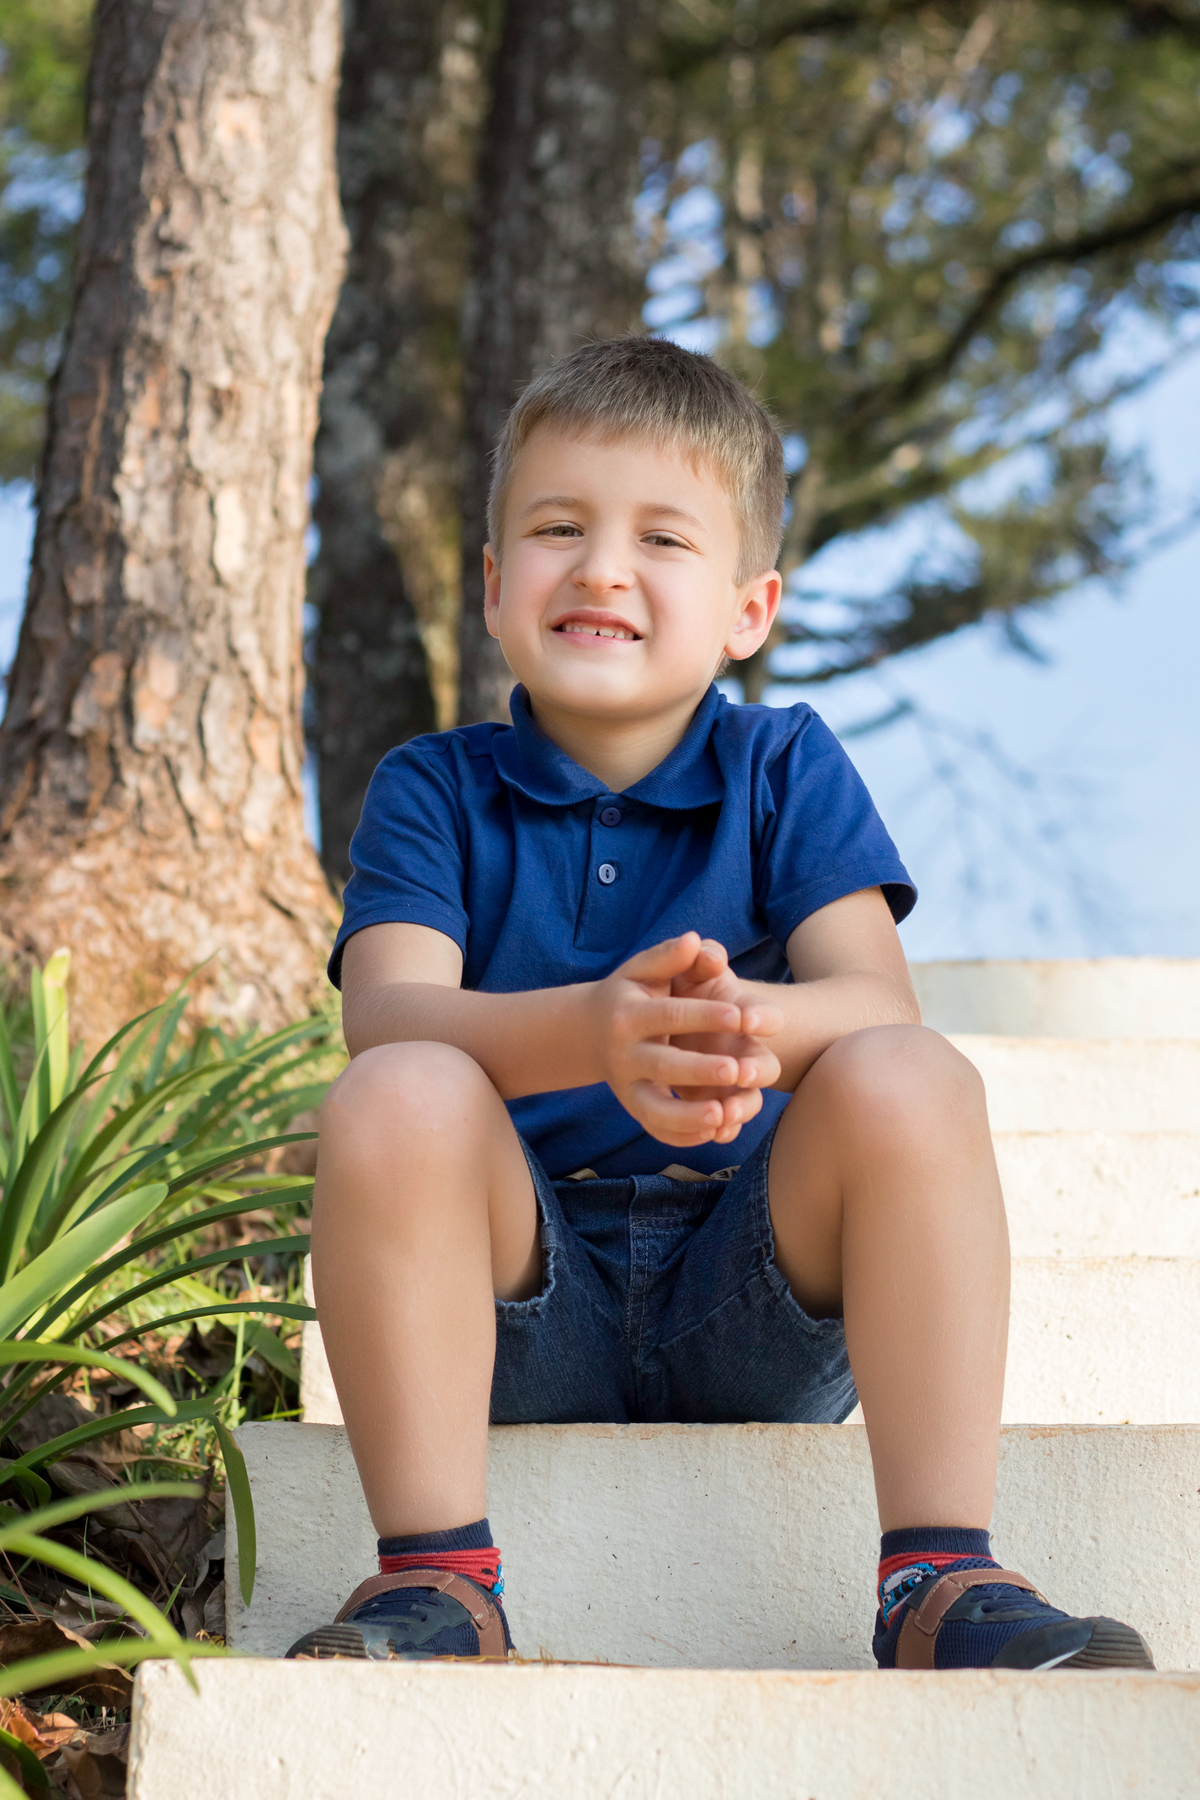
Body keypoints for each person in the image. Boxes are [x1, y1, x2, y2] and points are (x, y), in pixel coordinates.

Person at [287, 337, 1152, 1672]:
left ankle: (939, 1576)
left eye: (661, 538)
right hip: (514, 1302)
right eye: (559, 528)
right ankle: (438, 1582)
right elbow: (386, 1016)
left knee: (910, 1072)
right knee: (399, 1088)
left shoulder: (783, 763)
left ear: (750, 609)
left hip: (752, 1293)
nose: (602, 568)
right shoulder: (432, 786)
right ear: (495, 586)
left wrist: (729, 1029)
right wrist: (593, 1032)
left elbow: (876, 999)